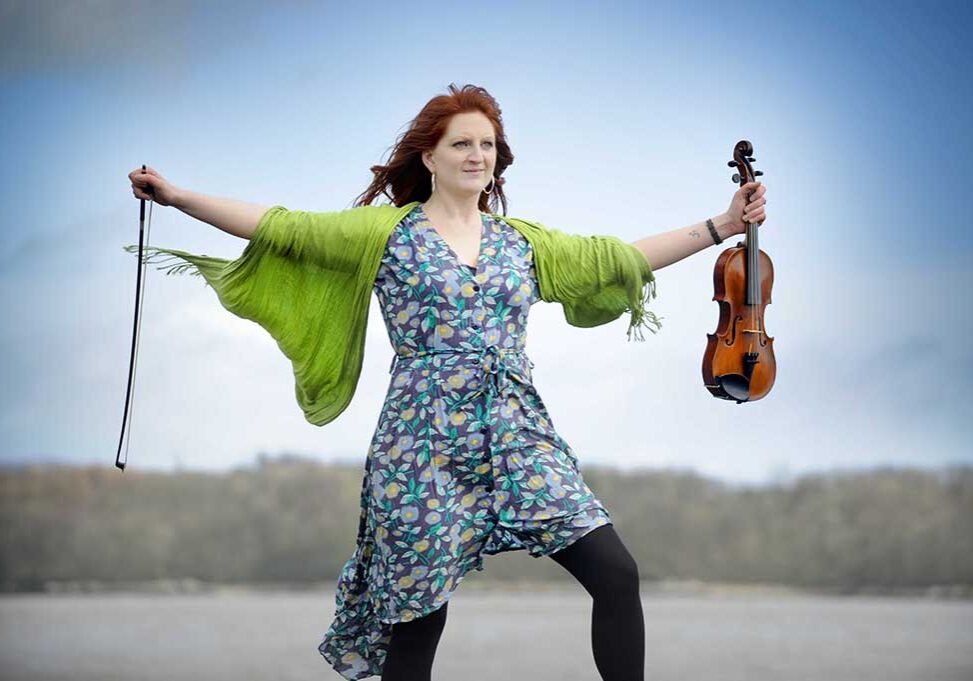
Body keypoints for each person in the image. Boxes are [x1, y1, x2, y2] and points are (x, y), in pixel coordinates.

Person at [128, 83, 767, 681]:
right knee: (417, 620)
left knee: (616, 572)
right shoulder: (384, 235)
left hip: (517, 435)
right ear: (429, 155)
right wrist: (178, 196)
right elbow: (280, 225)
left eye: (486, 144)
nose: (476, 155)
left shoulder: (523, 243)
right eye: (462, 143)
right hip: (420, 445)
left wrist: (722, 225)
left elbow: (619, 258)